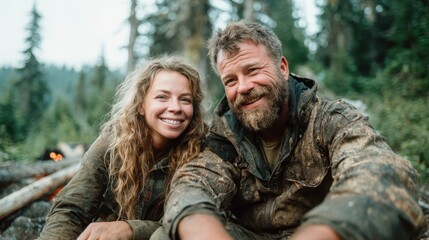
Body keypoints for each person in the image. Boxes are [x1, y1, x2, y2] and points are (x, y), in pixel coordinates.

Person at [157, 21, 425, 240]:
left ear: (282, 68)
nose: (243, 87)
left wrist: (324, 231)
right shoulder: (224, 137)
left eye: (253, 70)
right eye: (231, 80)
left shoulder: (329, 120)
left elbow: (378, 172)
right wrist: (201, 227)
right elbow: (193, 184)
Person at [37, 55, 207, 240]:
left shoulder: (202, 153)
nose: (175, 107)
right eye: (162, 97)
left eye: (185, 100)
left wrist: (129, 229)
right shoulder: (112, 144)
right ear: (141, 105)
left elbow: (193, 223)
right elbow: (72, 209)